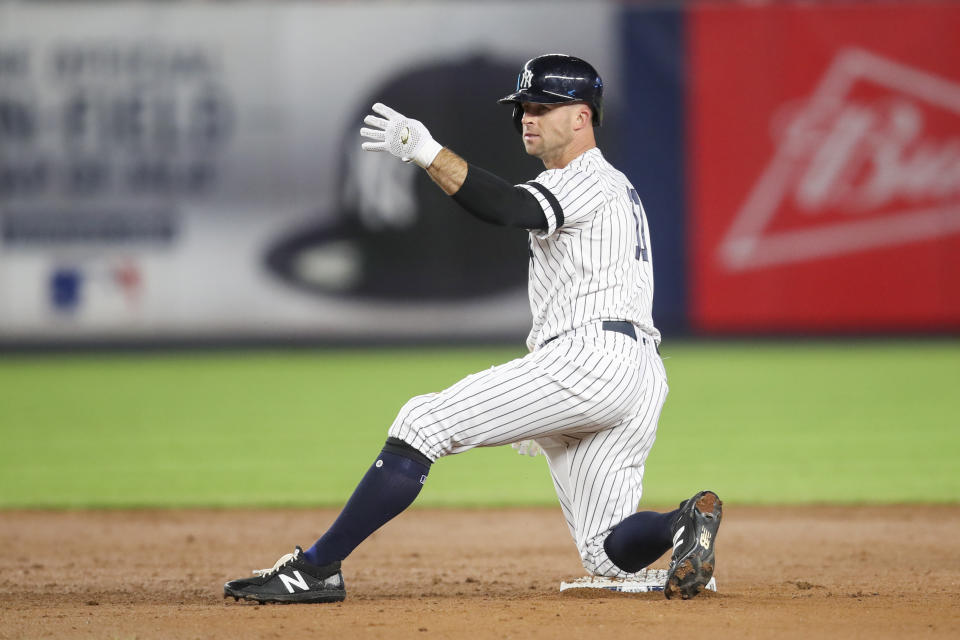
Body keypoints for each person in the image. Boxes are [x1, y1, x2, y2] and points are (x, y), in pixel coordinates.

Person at [224, 54, 722, 604]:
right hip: (636, 373)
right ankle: (683, 523)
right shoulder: (614, 187)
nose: (528, 118)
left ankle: (316, 569)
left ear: (582, 118)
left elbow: (506, 207)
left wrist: (424, 151)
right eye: (523, 108)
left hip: (591, 359)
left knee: (422, 422)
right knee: (605, 554)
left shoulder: (588, 180)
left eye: (543, 107)